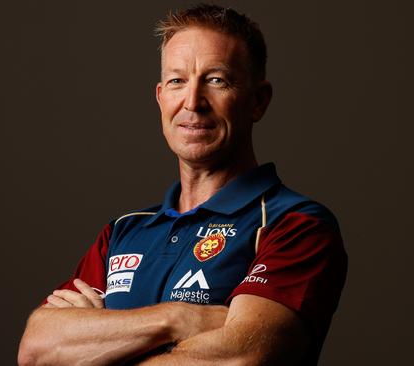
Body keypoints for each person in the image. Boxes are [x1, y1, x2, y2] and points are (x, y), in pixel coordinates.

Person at [18, 4, 347, 365]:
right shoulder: (122, 232)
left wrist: (98, 345)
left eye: (216, 80)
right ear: (161, 97)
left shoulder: (295, 225)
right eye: (177, 81)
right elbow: (36, 350)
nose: (192, 102)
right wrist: (181, 318)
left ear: (257, 101)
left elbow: (242, 356)